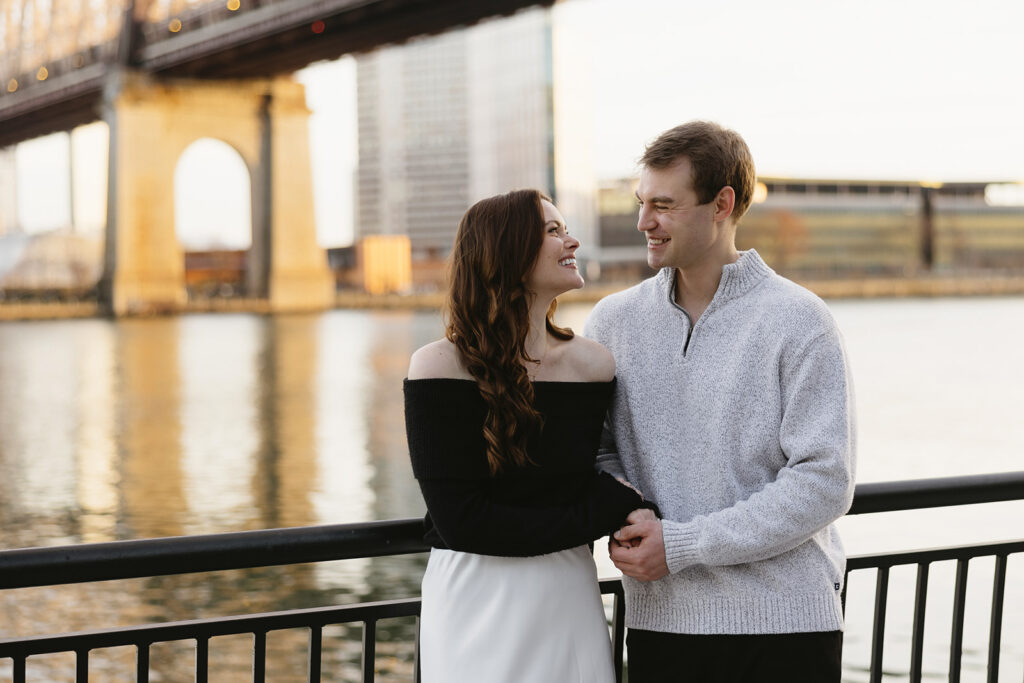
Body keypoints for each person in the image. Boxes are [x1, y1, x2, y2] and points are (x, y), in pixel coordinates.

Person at [584, 121, 857, 682]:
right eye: (642, 203)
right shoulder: (613, 321)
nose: (644, 222)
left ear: (722, 204)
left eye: (664, 204)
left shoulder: (800, 320)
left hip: (786, 628)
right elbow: (597, 452)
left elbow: (825, 480)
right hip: (662, 624)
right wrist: (629, 511)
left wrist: (682, 544)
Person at [404, 188, 656, 682]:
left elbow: (589, 473)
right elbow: (462, 522)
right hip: (473, 600)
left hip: (567, 595)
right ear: (506, 251)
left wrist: (616, 501)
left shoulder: (593, 366)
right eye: (554, 231)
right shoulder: (439, 366)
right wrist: (606, 507)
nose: (573, 241)